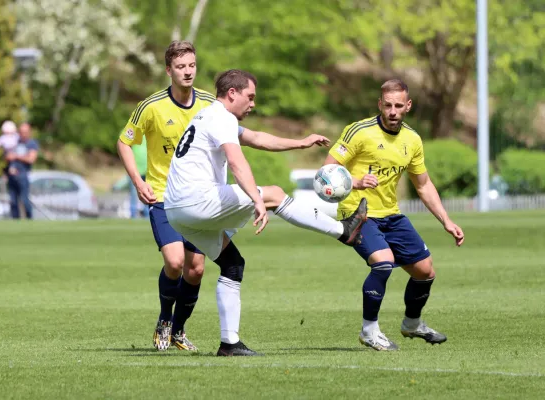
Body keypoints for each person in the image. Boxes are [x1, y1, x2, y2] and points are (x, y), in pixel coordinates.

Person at [117, 42, 331, 352]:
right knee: (175, 262)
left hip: (205, 198)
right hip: (165, 196)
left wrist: (299, 143)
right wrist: (138, 181)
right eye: (181, 66)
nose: (188, 71)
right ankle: (165, 320)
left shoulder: (210, 104)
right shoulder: (151, 106)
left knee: (196, 269)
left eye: (192, 65)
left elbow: (252, 138)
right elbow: (125, 142)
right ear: (168, 71)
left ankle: (178, 330)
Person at [164, 69, 367, 356]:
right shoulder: (222, 117)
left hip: (176, 210)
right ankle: (343, 231)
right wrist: (258, 200)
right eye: (250, 96)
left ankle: (229, 344)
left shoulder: (210, 115)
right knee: (272, 193)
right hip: (196, 200)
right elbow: (236, 161)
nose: (253, 103)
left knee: (232, 264)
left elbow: (258, 138)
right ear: (232, 93)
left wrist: (300, 142)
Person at [322, 79, 464, 351]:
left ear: (408, 106)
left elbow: (422, 184)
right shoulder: (358, 132)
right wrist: (356, 181)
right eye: (387, 105)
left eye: (399, 105)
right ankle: (369, 330)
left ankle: (412, 324)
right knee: (383, 262)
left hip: (391, 215)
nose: (393, 111)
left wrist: (446, 220)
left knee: (425, 271)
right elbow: (327, 172)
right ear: (380, 104)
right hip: (358, 213)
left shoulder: (412, 140)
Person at [5, 123, 39, 220]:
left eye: (25, 132)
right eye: (21, 132)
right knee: (13, 201)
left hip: (23, 175)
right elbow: (7, 155)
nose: (23, 134)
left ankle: (30, 219)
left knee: (24, 200)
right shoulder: (14, 142)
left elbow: (31, 159)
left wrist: (16, 156)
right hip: (12, 176)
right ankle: (15, 221)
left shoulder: (32, 143)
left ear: (29, 132)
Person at [128, 136, 149, 219]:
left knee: (148, 192)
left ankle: (147, 214)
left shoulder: (150, 128)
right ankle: (133, 214)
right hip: (135, 170)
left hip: (148, 169)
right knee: (134, 193)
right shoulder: (132, 129)